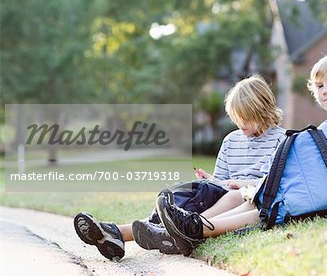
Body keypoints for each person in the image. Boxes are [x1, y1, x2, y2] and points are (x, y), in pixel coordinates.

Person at [156, 53, 327, 256]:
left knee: (279, 205)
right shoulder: (326, 128)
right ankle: (195, 227)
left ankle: (199, 229)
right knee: (265, 199)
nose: (325, 90)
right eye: (319, 86)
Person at [73, 75, 285, 261]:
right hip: (224, 194)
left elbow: (281, 183)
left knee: (233, 196)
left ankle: (176, 231)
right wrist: (210, 179)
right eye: (237, 119)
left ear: (262, 109)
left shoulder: (282, 141)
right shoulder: (231, 140)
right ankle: (116, 233)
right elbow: (221, 179)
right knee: (185, 192)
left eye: (246, 118)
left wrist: (245, 183)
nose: (241, 125)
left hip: (248, 197)